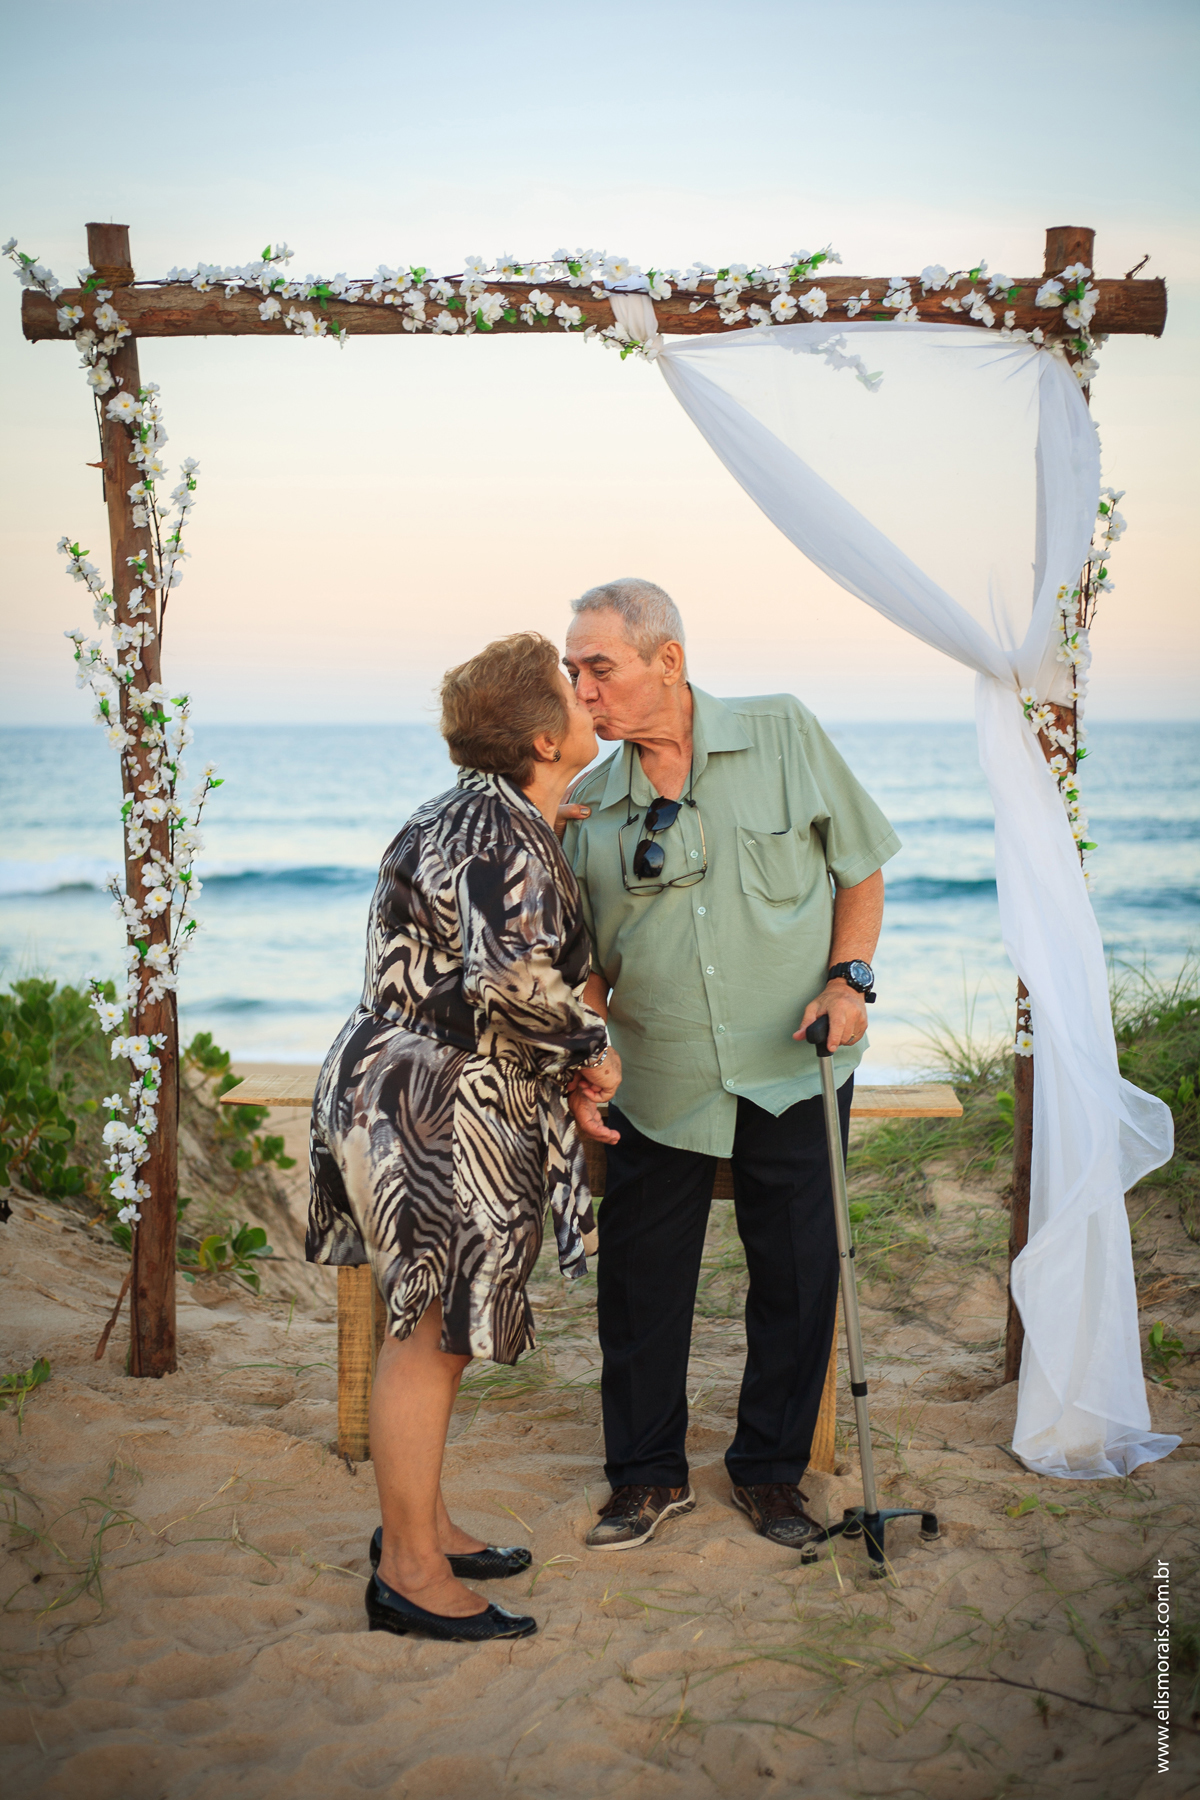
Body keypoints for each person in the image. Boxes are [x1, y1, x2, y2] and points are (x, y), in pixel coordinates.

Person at [560, 579, 900, 1552]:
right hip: (653, 1083)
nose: (584, 691)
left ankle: (769, 1476)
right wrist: (589, 1056)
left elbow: (861, 868)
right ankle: (644, 1479)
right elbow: (582, 969)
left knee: (798, 1280)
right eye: (573, 671)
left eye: (600, 668)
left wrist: (849, 983)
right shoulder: (586, 808)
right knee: (638, 1288)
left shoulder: (785, 734)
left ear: (667, 660)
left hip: (797, 1064)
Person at [307, 632, 620, 1640]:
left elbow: (477, 941)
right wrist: (594, 1047)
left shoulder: (481, 815)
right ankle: (406, 1572)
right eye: (571, 691)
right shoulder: (501, 837)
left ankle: (425, 1525)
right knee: (433, 1334)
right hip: (438, 1104)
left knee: (426, 1328)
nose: (585, 698)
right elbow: (513, 984)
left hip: (399, 1083)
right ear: (542, 735)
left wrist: (551, 840)